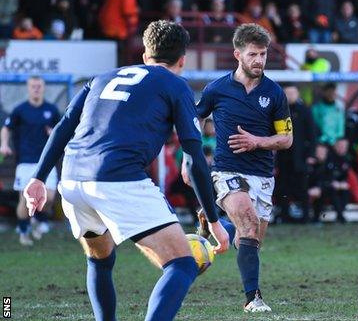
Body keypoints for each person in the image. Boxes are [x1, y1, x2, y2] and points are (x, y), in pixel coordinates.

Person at [22, 20, 229, 321]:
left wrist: (38, 177)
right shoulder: (176, 85)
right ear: (182, 60)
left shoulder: (101, 78)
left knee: (100, 260)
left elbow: (64, 126)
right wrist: (213, 220)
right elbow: (194, 155)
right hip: (117, 180)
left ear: (145, 55)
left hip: (73, 180)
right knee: (182, 264)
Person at [187, 23, 293, 313]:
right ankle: (252, 299)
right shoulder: (217, 89)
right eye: (253, 54)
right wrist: (190, 156)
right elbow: (193, 120)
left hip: (263, 176)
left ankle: (212, 221)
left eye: (263, 54)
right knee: (248, 225)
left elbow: (286, 139)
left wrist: (257, 141)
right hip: (227, 170)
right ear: (238, 54)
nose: (259, 60)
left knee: (250, 240)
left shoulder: (274, 93)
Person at [0, 76, 61, 246]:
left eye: (39, 86)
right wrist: (4, 144)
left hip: (47, 162)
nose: (36, 89)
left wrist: (54, 135)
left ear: (43, 87)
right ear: (28, 88)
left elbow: (61, 131)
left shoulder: (52, 110)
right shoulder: (20, 110)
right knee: (25, 201)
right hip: (25, 162)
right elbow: (6, 128)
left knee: (48, 198)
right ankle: (24, 232)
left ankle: (39, 218)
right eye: (33, 86)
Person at [275, 85, 316, 223]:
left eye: (293, 92)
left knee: (303, 188)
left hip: (301, 157)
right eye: (287, 93)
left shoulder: (305, 111)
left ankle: (306, 217)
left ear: (298, 94)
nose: (290, 95)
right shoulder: (279, 111)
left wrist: (311, 155)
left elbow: (312, 134)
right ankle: (284, 216)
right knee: (283, 188)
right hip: (284, 157)